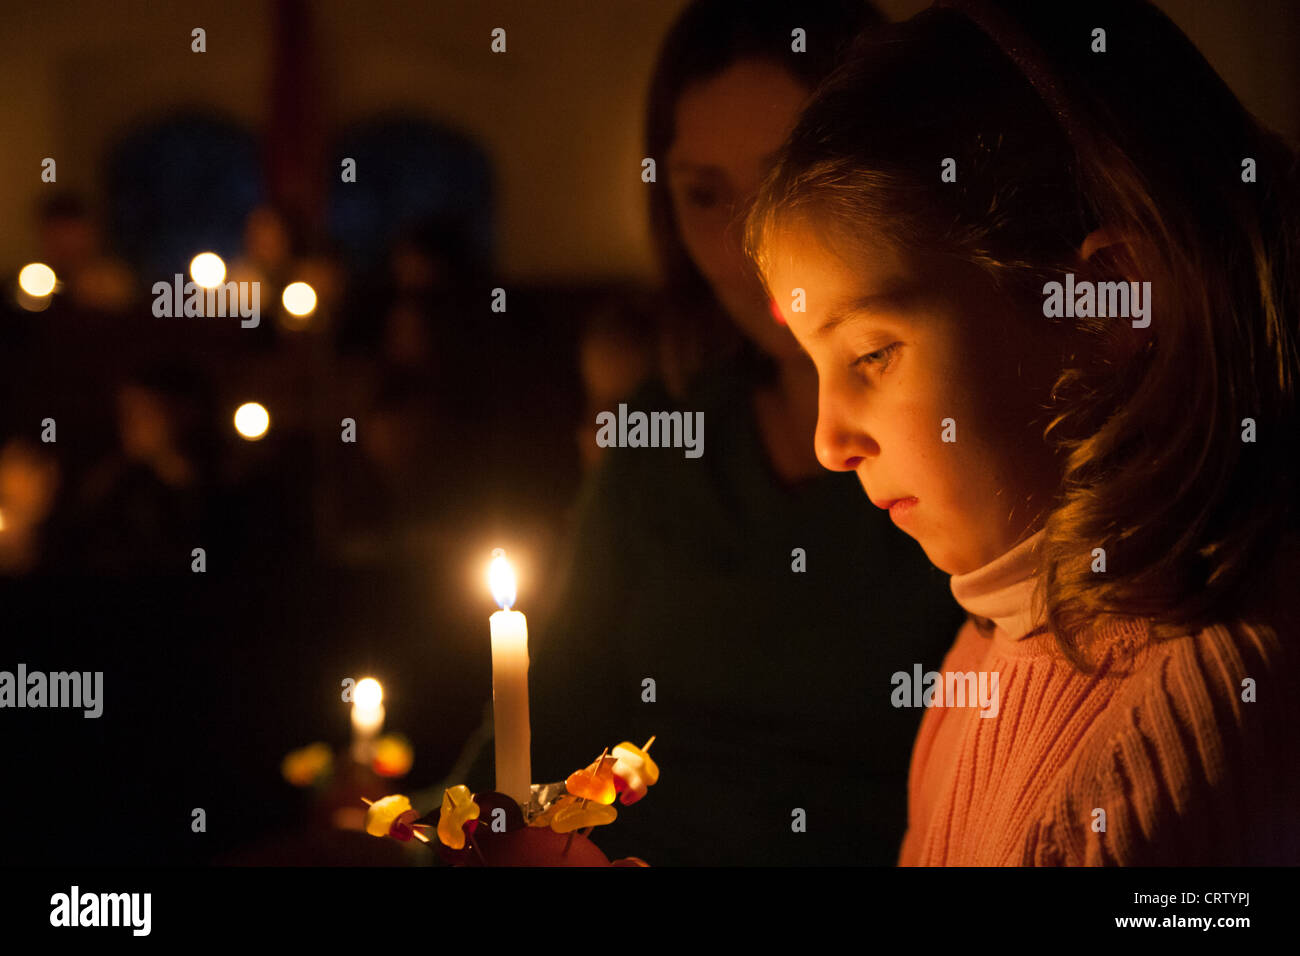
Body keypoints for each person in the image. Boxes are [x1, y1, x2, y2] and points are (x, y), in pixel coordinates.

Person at [745, 0, 1300, 864]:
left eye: (873, 353)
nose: (829, 441)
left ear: (1108, 303)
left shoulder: (1183, 735)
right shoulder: (992, 644)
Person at [454, 0, 966, 866]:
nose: (745, 247)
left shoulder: (962, 441)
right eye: (704, 195)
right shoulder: (668, 431)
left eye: (784, 183)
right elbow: (545, 712)